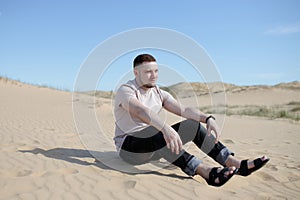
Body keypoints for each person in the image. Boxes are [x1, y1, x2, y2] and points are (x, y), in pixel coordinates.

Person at [113, 54, 269, 187]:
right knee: (157, 130)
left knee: (192, 125)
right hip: (130, 149)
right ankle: (206, 172)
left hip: (155, 147)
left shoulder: (159, 93)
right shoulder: (126, 90)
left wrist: (207, 118)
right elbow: (141, 111)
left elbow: (184, 110)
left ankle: (232, 162)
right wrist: (165, 128)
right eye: (148, 72)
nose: (154, 75)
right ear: (136, 72)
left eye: (156, 71)